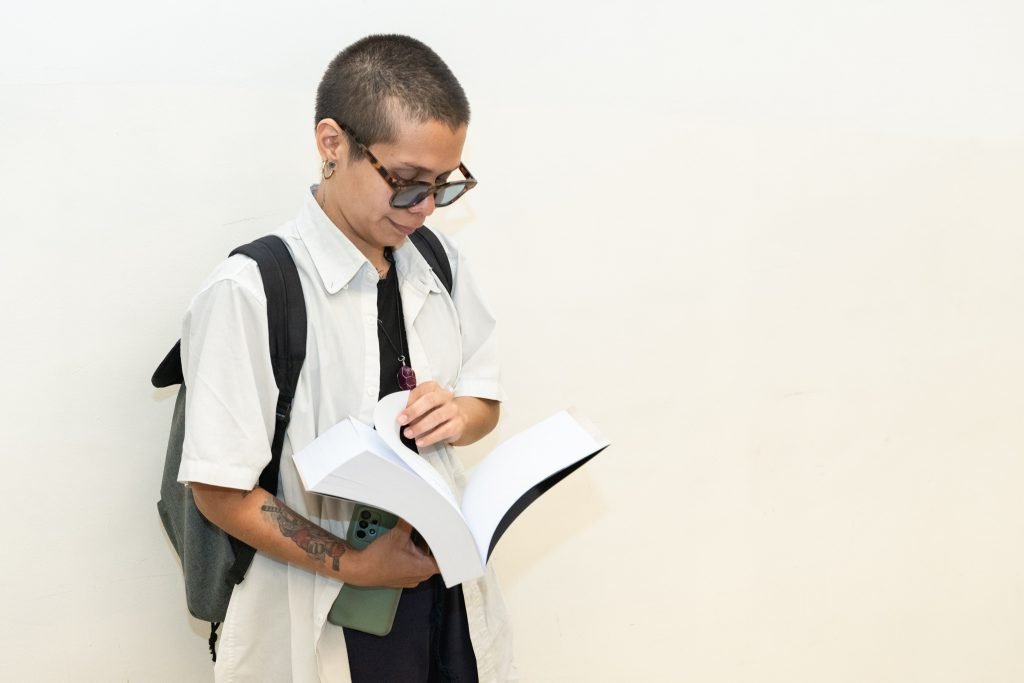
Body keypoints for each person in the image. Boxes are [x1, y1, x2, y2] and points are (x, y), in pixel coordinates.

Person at [178, 35, 516, 682]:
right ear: (332, 143)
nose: (423, 210)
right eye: (407, 184)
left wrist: (460, 413)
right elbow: (219, 490)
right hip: (320, 611)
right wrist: (355, 563)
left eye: (442, 186)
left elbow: (484, 398)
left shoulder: (439, 264)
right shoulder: (250, 290)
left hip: (447, 606)